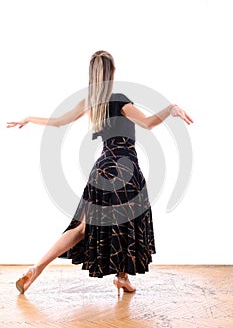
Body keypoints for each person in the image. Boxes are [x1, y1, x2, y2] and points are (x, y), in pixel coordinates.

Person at [7, 50, 193, 296]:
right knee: (125, 221)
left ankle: (37, 268)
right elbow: (148, 123)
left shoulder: (91, 102)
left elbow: (60, 121)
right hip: (125, 168)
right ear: (113, 72)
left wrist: (29, 118)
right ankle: (122, 277)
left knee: (83, 228)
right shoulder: (120, 101)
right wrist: (171, 108)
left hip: (101, 168)